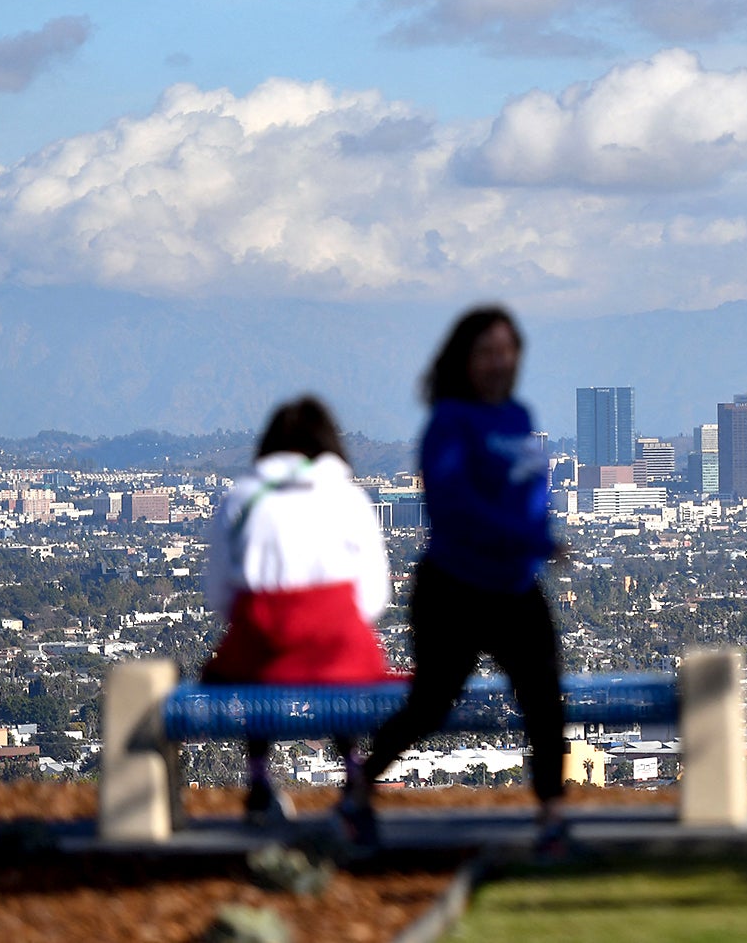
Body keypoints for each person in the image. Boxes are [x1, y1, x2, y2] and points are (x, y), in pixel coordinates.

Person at [344, 306, 566, 854]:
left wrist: (538, 534)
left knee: (543, 697)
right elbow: (453, 506)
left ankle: (552, 813)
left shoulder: (518, 417)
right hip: (456, 587)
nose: (500, 362)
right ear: (464, 360)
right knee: (432, 703)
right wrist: (528, 538)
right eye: (488, 351)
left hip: (516, 586)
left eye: (508, 350)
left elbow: (532, 493)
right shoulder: (449, 423)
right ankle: (359, 787)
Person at [204, 396, 391, 825]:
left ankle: (259, 778)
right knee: (345, 675)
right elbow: (374, 596)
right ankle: (352, 771)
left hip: (263, 655)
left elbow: (219, 594)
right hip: (341, 655)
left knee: (249, 667)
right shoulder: (348, 499)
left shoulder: (240, 499)